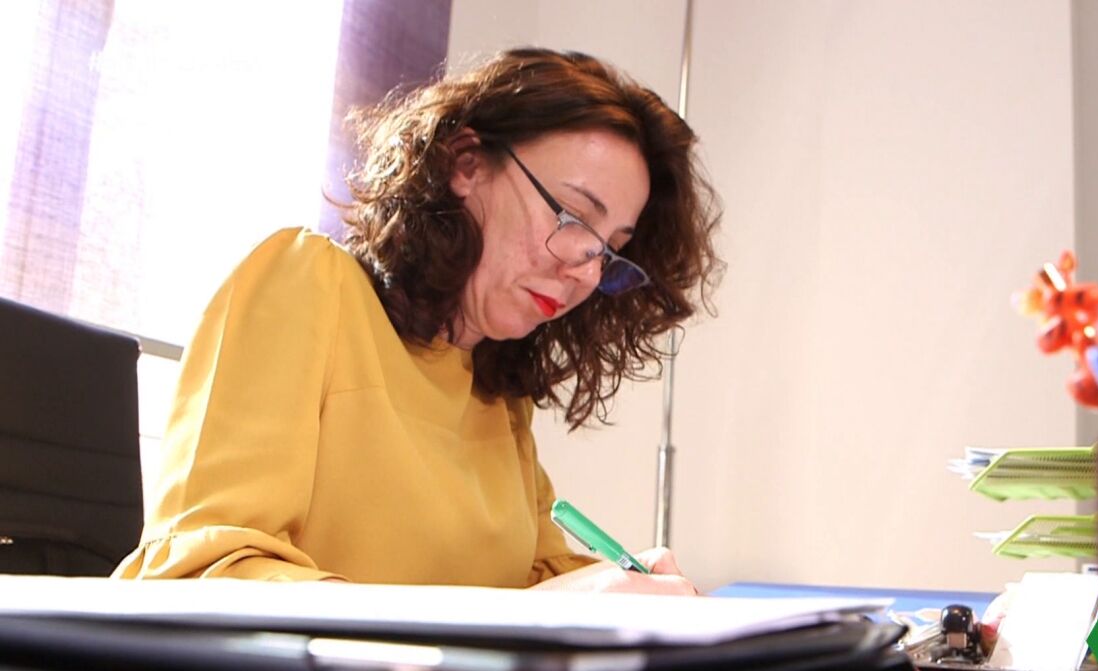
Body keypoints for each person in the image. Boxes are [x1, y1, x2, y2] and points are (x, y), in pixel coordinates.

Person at [113, 47, 722, 595]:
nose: (586, 273)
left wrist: (619, 590)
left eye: (609, 250)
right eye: (572, 217)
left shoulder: (497, 393)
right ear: (466, 163)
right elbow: (205, 572)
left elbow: (533, 580)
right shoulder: (308, 284)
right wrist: (532, 616)